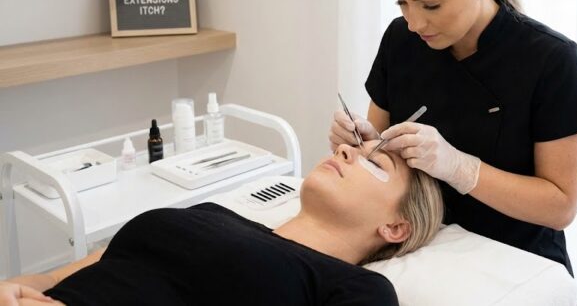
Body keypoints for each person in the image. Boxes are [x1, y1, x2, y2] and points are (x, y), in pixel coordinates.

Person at [329, 0, 577, 276]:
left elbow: (560, 207)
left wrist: (461, 168)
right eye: (402, 2)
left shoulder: (552, 60)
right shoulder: (401, 41)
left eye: (431, 5)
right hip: (421, 245)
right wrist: (364, 142)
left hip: (516, 259)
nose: (414, 22)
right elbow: (382, 149)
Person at [0, 141, 443, 306]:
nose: (347, 151)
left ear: (396, 227)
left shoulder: (357, 289)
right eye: (354, 147)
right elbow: (93, 263)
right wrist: (22, 284)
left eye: (375, 162)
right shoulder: (218, 214)